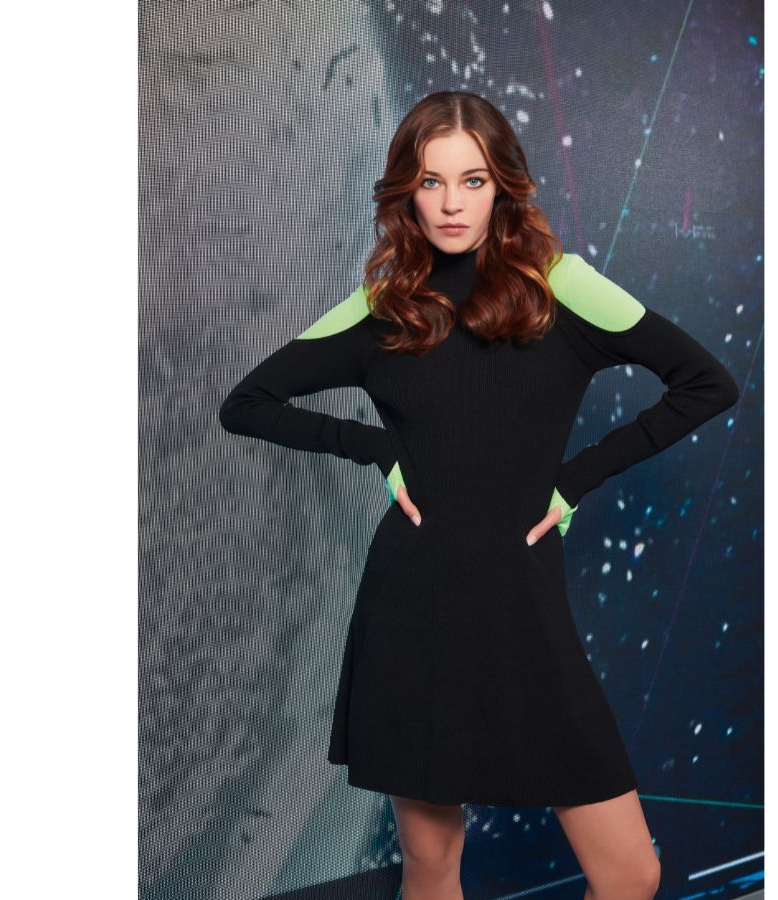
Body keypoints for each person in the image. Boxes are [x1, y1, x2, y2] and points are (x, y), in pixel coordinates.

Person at [219, 90, 738, 900]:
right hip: (411, 613)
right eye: (431, 182)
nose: (452, 203)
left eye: (473, 180)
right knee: (430, 868)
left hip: (525, 613)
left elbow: (707, 383)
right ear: (407, 190)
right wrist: (374, 448)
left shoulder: (562, 285)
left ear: (503, 186)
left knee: (631, 874)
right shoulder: (385, 306)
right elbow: (245, 403)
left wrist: (576, 480)